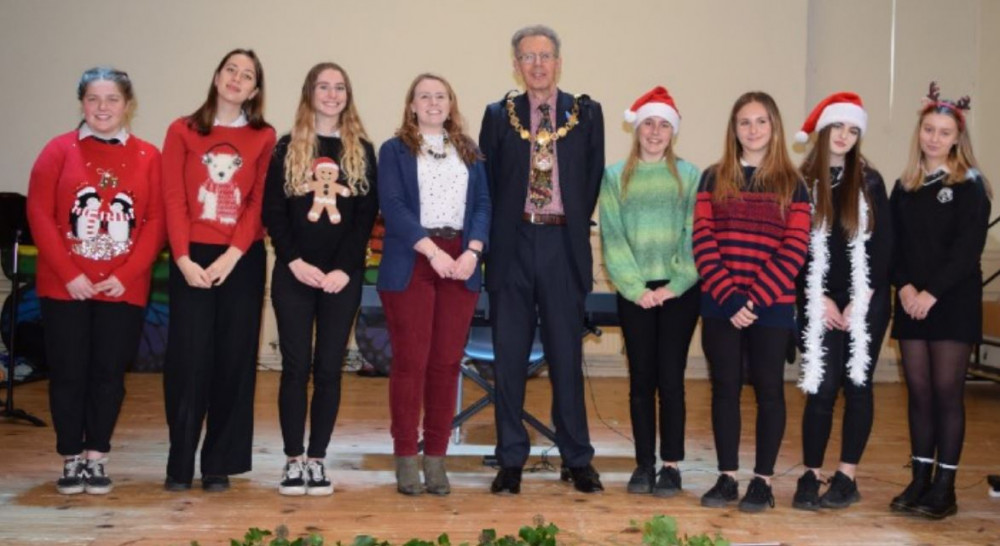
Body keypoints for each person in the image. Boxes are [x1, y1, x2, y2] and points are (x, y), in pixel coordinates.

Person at [479, 24, 605, 495]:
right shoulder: (498, 115)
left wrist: (563, 225)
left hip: (561, 247)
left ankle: (577, 459)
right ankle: (511, 459)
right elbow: (488, 182)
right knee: (508, 359)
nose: (537, 64)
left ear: (558, 62)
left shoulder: (587, 114)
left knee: (565, 359)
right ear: (516, 64)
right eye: (527, 57)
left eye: (545, 56)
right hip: (512, 247)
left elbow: (590, 180)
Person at [26, 66, 165, 495]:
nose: (102, 108)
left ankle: (96, 456)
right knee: (68, 372)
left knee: (107, 374)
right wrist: (71, 275)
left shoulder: (148, 156)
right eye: (93, 99)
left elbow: (156, 221)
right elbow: (39, 214)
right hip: (64, 287)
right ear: (82, 103)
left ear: (128, 105)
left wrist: (125, 275)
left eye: (112, 100)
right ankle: (70, 456)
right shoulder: (57, 150)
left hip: (122, 290)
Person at [161, 48, 276, 492]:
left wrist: (233, 254)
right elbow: (173, 197)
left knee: (233, 361)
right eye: (231, 70)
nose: (237, 79)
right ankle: (179, 461)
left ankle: (218, 463)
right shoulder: (182, 130)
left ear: (255, 89)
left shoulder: (264, 136)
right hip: (190, 257)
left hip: (240, 261)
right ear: (216, 76)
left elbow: (257, 202)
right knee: (188, 362)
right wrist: (184, 258)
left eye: (247, 75)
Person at [262, 62, 378, 496]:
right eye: (323, 87)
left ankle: (318, 459)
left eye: (339, 87)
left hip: (339, 279)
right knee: (295, 368)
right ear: (310, 93)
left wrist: (343, 269)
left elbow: (365, 217)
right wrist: (293, 261)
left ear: (347, 95)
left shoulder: (362, 150)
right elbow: (273, 211)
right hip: (294, 274)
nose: (332, 94)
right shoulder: (287, 147)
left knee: (329, 369)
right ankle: (293, 460)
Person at [692, 91, 810, 512]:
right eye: (745, 122)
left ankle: (762, 481)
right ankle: (726, 477)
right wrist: (729, 296)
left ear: (774, 128)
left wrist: (755, 301)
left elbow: (795, 248)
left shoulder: (792, 183)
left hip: (771, 307)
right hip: (721, 304)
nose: (753, 129)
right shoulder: (713, 177)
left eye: (761, 122)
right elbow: (703, 240)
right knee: (724, 390)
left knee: (769, 391)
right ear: (734, 129)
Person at [378, 73, 490, 496]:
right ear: (411, 105)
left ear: (451, 103)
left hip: (460, 263)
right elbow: (392, 204)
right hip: (414, 260)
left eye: (440, 96)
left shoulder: (470, 150)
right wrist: (432, 251)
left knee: (445, 364)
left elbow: (482, 204)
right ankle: (407, 455)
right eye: (423, 96)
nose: (432, 102)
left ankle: (437, 458)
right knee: (412, 363)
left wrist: (472, 251)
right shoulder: (394, 150)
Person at [888, 82, 992, 519]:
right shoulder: (905, 185)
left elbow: (966, 251)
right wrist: (907, 288)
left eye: (943, 132)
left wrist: (930, 293)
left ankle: (945, 488)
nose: (934, 138)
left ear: (957, 139)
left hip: (950, 302)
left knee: (947, 393)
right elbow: (890, 245)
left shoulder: (970, 185)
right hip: (912, 302)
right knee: (920, 393)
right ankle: (920, 479)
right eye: (928, 129)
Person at [790, 93, 892, 510]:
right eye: (839, 128)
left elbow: (885, 248)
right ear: (823, 130)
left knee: (857, 386)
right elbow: (794, 248)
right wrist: (818, 300)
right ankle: (811, 474)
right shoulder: (801, 182)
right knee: (822, 387)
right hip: (818, 301)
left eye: (853, 131)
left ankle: (847, 476)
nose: (845, 137)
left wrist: (858, 302)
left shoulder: (870, 182)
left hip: (866, 301)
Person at [598, 86, 700, 497]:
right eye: (648, 124)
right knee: (641, 380)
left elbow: (695, 234)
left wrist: (673, 286)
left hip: (679, 291)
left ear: (672, 131)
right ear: (637, 128)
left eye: (663, 125)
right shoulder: (613, 176)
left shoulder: (690, 176)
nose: (655, 132)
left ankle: (671, 466)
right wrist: (635, 287)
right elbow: (612, 235)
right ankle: (644, 463)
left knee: (670, 379)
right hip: (634, 291)